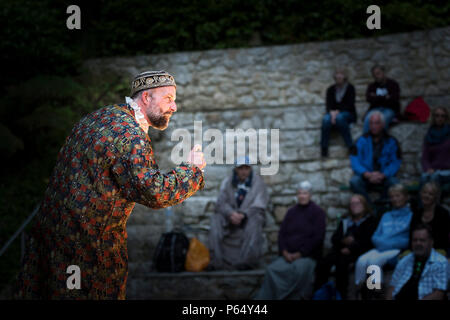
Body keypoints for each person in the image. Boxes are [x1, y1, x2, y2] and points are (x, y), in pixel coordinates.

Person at [14, 70, 206, 299]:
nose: (174, 106)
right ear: (146, 98)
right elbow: (155, 193)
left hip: (49, 243)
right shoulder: (130, 135)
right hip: (88, 252)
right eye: (167, 98)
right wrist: (192, 170)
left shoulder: (97, 118)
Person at [254, 181, 326, 300]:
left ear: (310, 195)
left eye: (305, 193)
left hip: (306, 256)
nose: (302, 196)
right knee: (273, 269)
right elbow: (282, 234)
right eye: (300, 193)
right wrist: (284, 252)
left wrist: (300, 253)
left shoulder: (318, 213)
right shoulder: (291, 212)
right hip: (288, 254)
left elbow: (317, 238)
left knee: (298, 270)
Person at [208, 156, 269, 270]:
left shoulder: (258, 182)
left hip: (249, 216)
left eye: (246, 168)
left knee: (256, 220)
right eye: (241, 168)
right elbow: (221, 202)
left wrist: (243, 214)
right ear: (236, 169)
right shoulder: (228, 182)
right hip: (230, 217)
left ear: (250, 169)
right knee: (215, 219)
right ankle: (216, 260)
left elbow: (260, 204)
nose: (244, 171)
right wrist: (231, 213)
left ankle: (247, 261)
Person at [314, 194, 377, 299]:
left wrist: (351, 247)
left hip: (358, 252)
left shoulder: (370, 221)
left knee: (341, 265)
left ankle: (341, 295)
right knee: (322, 263)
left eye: (357, 203)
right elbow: (335, 238)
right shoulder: (346, 221)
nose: (354, 206)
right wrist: (344, 241)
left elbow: (368, 240)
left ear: (364, 205)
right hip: (340, 250)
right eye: (352, 203)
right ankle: (319, 294)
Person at [354, 184, 412, 293]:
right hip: (380, 248)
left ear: (405, 197)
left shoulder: (411, 216)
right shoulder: (386, 216)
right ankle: (360, 291)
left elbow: (408, 239)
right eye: (392, 196)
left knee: (373, 262)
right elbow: (375, 236)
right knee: (361, 261)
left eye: (398, 196)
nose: (395, 199)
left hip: (396, 249)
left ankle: (375, 291)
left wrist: (388, 244)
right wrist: (382, 244)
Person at [350, 111, 402, 205]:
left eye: (377, 123)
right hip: (366, 177)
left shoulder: (391, 141)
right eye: (371, 123)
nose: (373, 126)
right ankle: (369, 207)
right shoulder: (361, 140)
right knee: (354, 181)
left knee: (394, 182)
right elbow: (355, 161)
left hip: (384, 177)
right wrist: (367, 174)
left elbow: (396, 162)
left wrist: (383, 174)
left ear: (383, 124)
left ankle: (382, 204)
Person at [386, 224, 448, 300]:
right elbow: (392, 286)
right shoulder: (405, 260)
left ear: (431, 242)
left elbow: (439, 294)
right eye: (415, 240)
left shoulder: (441, 263)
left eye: (422, 240)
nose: (418, 243)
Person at [320, 68, 357, 157]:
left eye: (341, 74)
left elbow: (350, 104)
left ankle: (350, 145)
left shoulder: (350, 88)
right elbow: (329, 105)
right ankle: (324, 147)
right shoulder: (331, 89)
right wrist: (332, 113)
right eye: (337, 74)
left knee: (340, 118)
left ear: (345, 76)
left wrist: (336, 112)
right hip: (333, 114)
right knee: (325, 119)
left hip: (348, 113)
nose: (339, 76)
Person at [410, 182, 450, 254]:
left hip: (438, 250)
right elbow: (412, 234)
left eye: (430, 194)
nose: (426, 196)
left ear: (436, 197)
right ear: (420, 194)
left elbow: (444, 239)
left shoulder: (443, 213)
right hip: (417, 248)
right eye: (424, 192)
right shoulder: (416, 213)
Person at [363, 65, 400, 133]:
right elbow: (369, 99)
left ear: (383, 72)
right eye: (374, 75)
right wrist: (386, 97)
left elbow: (394, 99)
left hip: (389, 109)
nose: (376, 76)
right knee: (368, 119)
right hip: (375, 109)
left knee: (383, 120)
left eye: (378, 73)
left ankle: (381, 141)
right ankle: (366, 141)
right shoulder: (372, 86)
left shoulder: (393, 84)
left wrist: (376, 97)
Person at [420, 106, 450, 187]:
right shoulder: (429, 136)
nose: (440, 118)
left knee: (434, 178)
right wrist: (428, 168)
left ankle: (436, 200)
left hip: (447, 171)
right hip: (434, 170)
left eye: (442, 116)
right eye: (437, 115)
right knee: (423, 178)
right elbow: (425, 157)